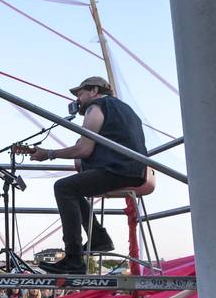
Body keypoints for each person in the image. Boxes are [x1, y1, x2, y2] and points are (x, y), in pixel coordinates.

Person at [14, 76, 147, 274]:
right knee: (74, 189)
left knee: (63, 188)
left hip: (118, 169)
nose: (78, 100)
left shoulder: (96, 107)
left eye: (80, 94)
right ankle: (99, 238)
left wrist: (48, 154)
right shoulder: (125, 110)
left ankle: (74, 259)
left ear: (94, 91)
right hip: (135, 169)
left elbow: (84, 150)